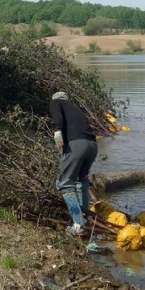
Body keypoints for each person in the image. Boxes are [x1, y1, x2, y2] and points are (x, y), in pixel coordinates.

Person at [49, 91, 98, 237]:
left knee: (64, 183)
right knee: (80, 182)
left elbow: (59, 120)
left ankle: (80, 225)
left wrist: (57, 131)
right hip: (92, 146)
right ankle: (86, 223)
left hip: (77, 146)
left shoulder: (56, 102)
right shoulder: (76, 109)